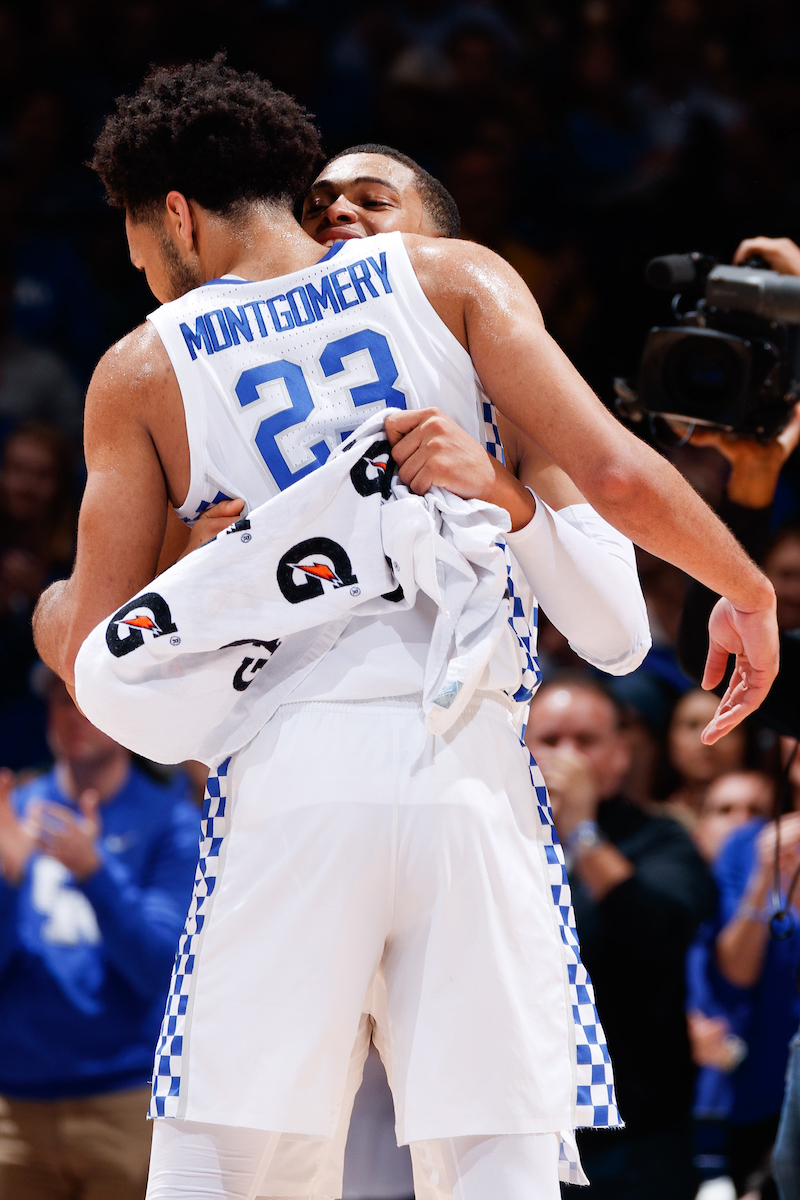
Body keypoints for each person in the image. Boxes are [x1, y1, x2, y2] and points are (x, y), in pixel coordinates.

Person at [30, 59, 778, 1200]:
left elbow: (92, 642)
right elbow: (619, 475)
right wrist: (742, 587)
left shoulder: (142, 365)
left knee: (230, 1150)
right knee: (496, 1161)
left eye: (138, 244)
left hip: (289, 772)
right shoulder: (452, 277)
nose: (141, 272)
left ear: (175, 214)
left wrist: (174, 569)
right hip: (467, 770)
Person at [0, 671, 199, 1199]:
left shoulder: (173, 823)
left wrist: (95, 873)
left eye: (87, 702)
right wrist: (8, 884)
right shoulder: (12, 814)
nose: (74, 717)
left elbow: (162, 968)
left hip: (125, 1098)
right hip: (15, 1104)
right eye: (61, 704)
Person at [526, 677, 716, 1200]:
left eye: (586, 741)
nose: (567, 757)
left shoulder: (659, 838)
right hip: (522, 1126)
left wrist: (583, 831)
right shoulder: (491, 841)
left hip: (637, 1130)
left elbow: (662, 931)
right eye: (550, 740)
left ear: (619, 754)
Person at [661, 688, 748, 830]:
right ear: (669, 737)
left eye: (723, 725)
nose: (706, 739)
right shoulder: (651, 823)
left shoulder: (759, 814)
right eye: (692, 725)